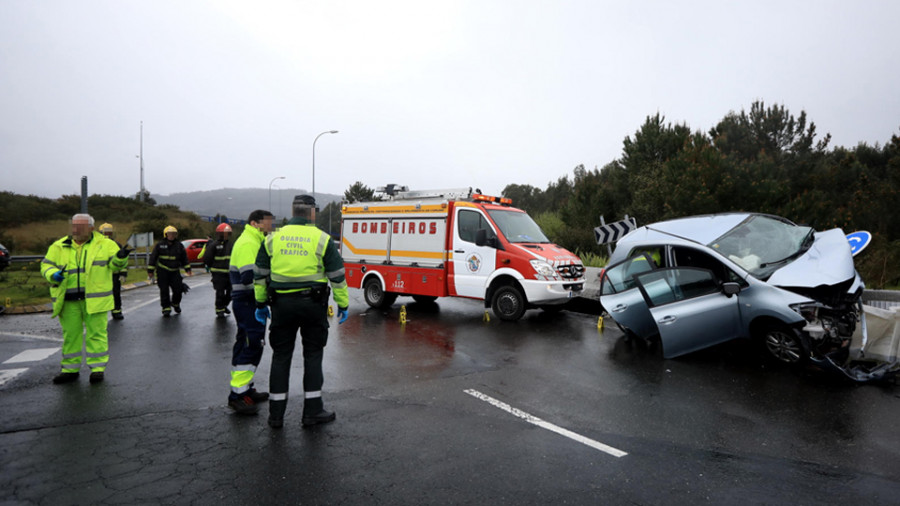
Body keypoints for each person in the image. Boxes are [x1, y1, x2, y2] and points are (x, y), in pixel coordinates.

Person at [255, 195, 349, 428]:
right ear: (313, 213)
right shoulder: (322, 239)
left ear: (293, 210)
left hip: (281, 306)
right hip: (312, 306)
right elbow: (337, 277)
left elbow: (259, 275)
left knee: (281, 357)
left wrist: (260, 304)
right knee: (313, 355)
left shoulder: (272, 239)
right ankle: (312, 412)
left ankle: (275, 415)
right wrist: (343, 304)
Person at [41, 214, 131, 384]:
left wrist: (121, 257)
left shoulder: (105, 244)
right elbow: (46, 265)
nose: (76, 229)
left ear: (90, 228)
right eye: (74, 225)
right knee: (71, 335)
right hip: (68, 300)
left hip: (95, 300)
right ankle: (70, 369)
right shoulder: (59, 246)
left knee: (97, 335)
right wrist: (53, 274)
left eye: (80, 226)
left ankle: (97, 369)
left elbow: (115, 266)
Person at [226, 210, 275, 414]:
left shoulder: (254, 240)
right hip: (248, 302)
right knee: (251, 344)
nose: (270, 226)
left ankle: (246, 388)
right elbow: (249, 276)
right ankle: (237, 396)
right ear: (255, 223)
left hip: (249, 302)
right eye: (267, 222)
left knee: (248, 343)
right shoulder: (248, 243)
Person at [148, 225, 192, 317]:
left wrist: (188, 269)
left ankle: (175, 303)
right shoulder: (160, 245)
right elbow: (153, 257)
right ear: (166, 234)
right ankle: (166, 308)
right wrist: (150, 270)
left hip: (175, 272)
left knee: (178, 290)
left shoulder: (179, 245)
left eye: (173, 234)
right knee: (164, 290)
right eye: (170, 234)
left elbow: (184, 258)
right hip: (162, 271)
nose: (171, 235)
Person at [203, 223, 234, 318]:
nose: (226, 235)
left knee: (231, 292)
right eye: (224, 233)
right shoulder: (213, 245)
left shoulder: (232, 245)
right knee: (220, 292)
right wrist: (213, 269)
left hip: (229, 274)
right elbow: (207, 259)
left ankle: (224, 305)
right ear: (219, 234)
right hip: (218, 274)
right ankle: (219, 309)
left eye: (227, 233)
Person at [99, 223, 127, 320]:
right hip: (100, 276)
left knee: (116, 293)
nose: (108, 235)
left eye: (109, 233)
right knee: (100, 295)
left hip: (114, 275)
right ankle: (100, 313)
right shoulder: (96, 245)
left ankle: (117, 311)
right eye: (106, 232)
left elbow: (123, 261)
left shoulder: (117, 245)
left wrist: (123, 273)